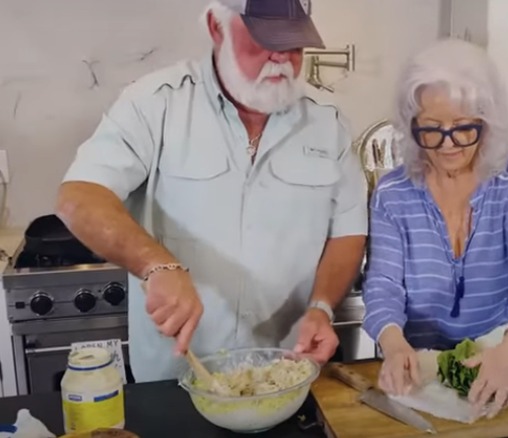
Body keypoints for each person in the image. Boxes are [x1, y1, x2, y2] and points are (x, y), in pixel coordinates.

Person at [55, 0, 367, 382]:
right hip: (179, 378)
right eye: (264, 40)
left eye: (294, 45)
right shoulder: (155, 103)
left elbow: (348, 230)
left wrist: (321, 307)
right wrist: (156, 265)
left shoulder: (328, 121)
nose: (280, 58)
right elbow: (80, 196)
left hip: (287, 373)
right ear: (216, 28)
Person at [362, 38, 508, 418]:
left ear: (487, 123)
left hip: (499, 355)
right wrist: (392, 342)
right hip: (416, 366)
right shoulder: (392, 194)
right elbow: (384, 284)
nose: (447, 144)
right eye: (432, 129)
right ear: (411, 125)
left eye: (463, 128)